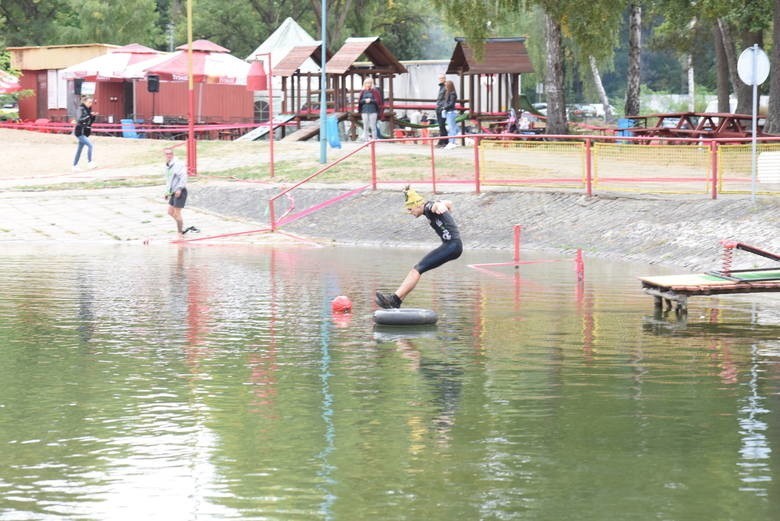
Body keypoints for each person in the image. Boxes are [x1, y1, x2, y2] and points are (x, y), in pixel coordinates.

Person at [375, 186, 463, 309]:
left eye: (410, 209)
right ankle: (397, 301)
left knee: (417, 269)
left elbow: (436, 206)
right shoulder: (427, 209)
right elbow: (449, 203)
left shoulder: (427, 207)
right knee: (417, 269)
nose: (409, 212)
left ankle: (395, 299)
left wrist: (439, 205)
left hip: (452, 245)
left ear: (417, 205)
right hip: (452, 246)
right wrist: (444, 204)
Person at [163, 148, 198, 239]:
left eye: (170, 153)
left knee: (177, 213)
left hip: (180, 191)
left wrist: (179, 188)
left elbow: (183, 176)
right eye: (166, 154)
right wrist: (167, 192)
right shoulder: (167, 165)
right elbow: (169, 180)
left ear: (173, 154)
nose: (168, 155)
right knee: (170, 212)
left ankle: (180, 234)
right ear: (164, 155)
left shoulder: (178, 164)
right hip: (173, 192)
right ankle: (181, 226)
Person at [72, 96, 97, 171]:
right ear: (84, 102)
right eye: (89, 102)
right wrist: (89, 116)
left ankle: (74, 165)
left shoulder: (88, 110)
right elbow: (78, 120)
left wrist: (93, 117)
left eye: (91, 102)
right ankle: (90, 162)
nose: (90, 104)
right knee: (90, 145)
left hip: (85, 132)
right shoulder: (80, 109)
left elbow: (89, 122)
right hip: (80, 131)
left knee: (79, 150)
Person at [443, 80, 459, 149]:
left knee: (451, 128)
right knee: (451, 127)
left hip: (451, 112)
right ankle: (452, 141)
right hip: (448, 112)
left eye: (446, 85)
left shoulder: (452, 93)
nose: (445, 87)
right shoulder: (448, 93)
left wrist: (445, 107)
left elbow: (451, 104)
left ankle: (452, 142)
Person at [434, 74, 448, 148]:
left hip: (442, 109)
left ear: (445, 78)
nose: (441, 79)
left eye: (442, 78)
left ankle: (443, 141)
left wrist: (443, 107)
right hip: (438, 108)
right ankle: (445, 141)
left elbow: (447, 98)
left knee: (442, 125)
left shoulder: (446, 86)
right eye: (439, 78)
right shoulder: (441, 87)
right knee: (441, 125)